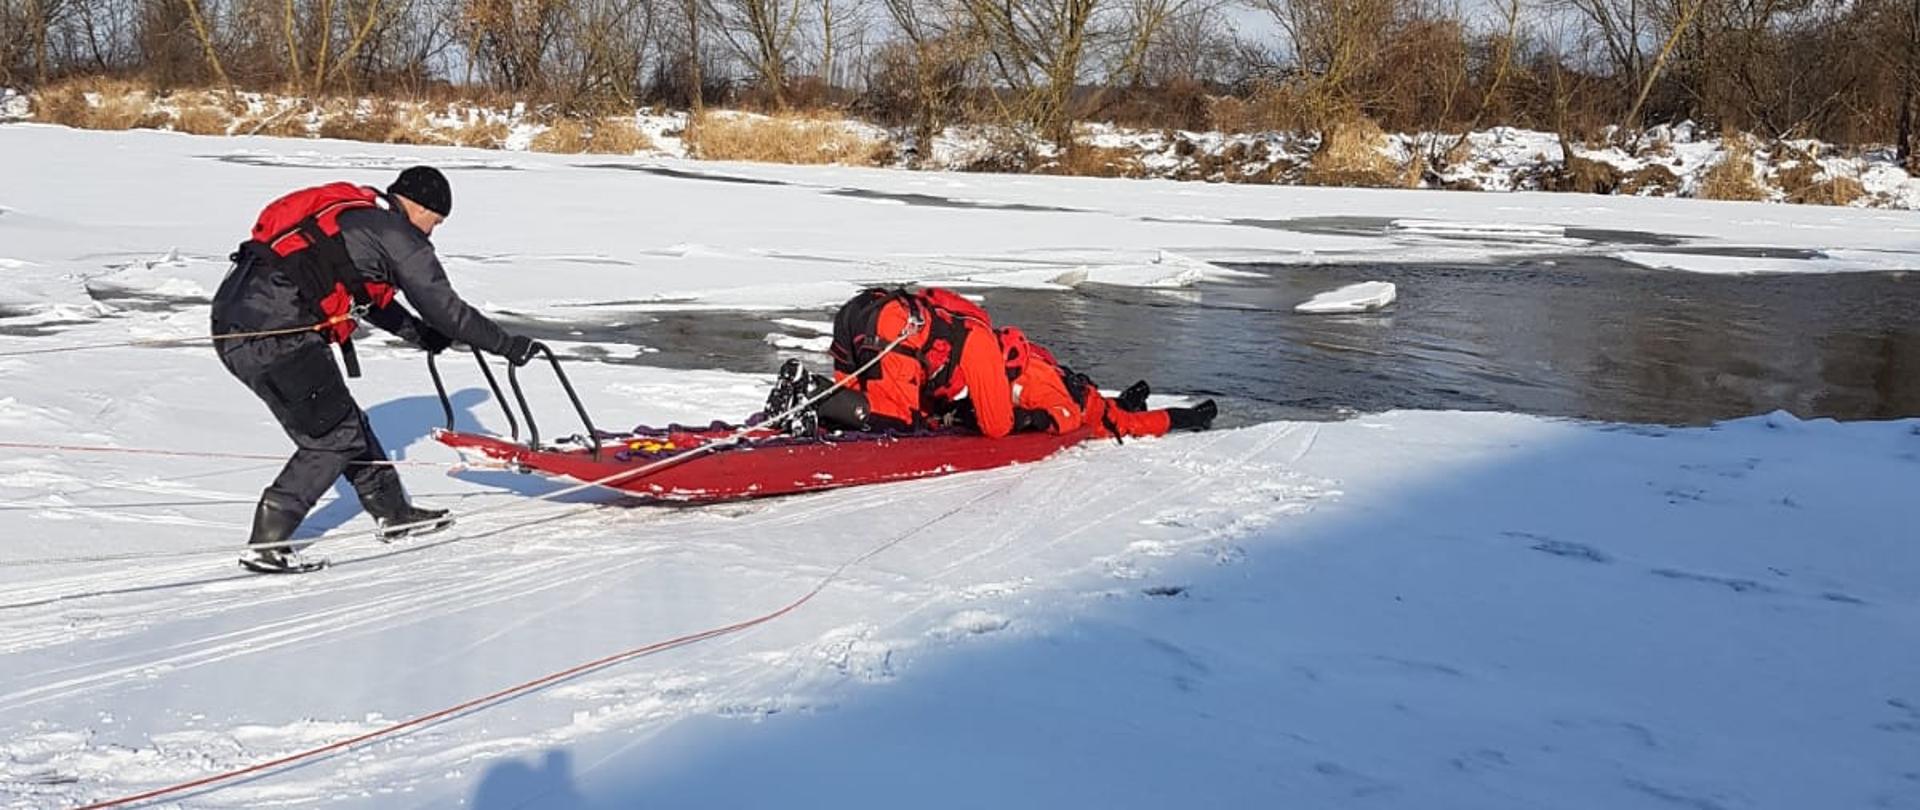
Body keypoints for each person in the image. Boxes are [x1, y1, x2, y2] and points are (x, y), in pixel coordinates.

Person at [211, 166, 543, 571]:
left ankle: (394, 515)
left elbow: (374, 301)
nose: (432, 231)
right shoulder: (397, 235)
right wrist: (507, 345)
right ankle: (267, 544)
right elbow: (446, 308)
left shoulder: (361, 220)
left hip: (237, 321)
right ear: (418, 205)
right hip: (277, 331)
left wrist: (423, 337)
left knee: (346, 423)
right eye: (434, 221)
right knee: (332, 439)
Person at [822, 287, 1052, 438]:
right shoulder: (982, 340)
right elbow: (997, 426)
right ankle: (812, 391)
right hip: (894, 323)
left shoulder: (953, 326)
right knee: (901, 422)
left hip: (859, 311)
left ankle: (805, 401)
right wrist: (1025, 419)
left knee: (852, 407)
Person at [995, 325, 1216, 438]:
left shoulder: (1037, 382)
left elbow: (1069, 416)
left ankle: (1198, 417)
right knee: (1110, 408)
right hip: (1078, 392)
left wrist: (1035, 419)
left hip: (1085, 408)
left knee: (1129, 424)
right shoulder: (1018, 365)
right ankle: (1134, 396)